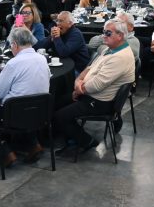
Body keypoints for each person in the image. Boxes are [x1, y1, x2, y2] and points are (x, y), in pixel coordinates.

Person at [54, 18, 136, 154]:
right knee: (56, 102)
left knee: (59, 116)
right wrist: (78, 81)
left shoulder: (120, 57)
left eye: (108, 33)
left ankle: (86, 141)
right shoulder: (110, 49)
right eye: (104, 32)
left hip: (100, 102)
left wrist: (79, 90)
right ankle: (70, 138)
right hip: (90, 94)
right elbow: (90, 68)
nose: (104, 36)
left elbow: (96, 85)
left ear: (120, 36)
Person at [0, 26, 51, 166]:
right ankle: (34, 144)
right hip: (40, 111)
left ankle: (6, 152)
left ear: (15, 44)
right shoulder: (42, 59)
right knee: (26, 102)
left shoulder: (13, 63)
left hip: (14, 114)